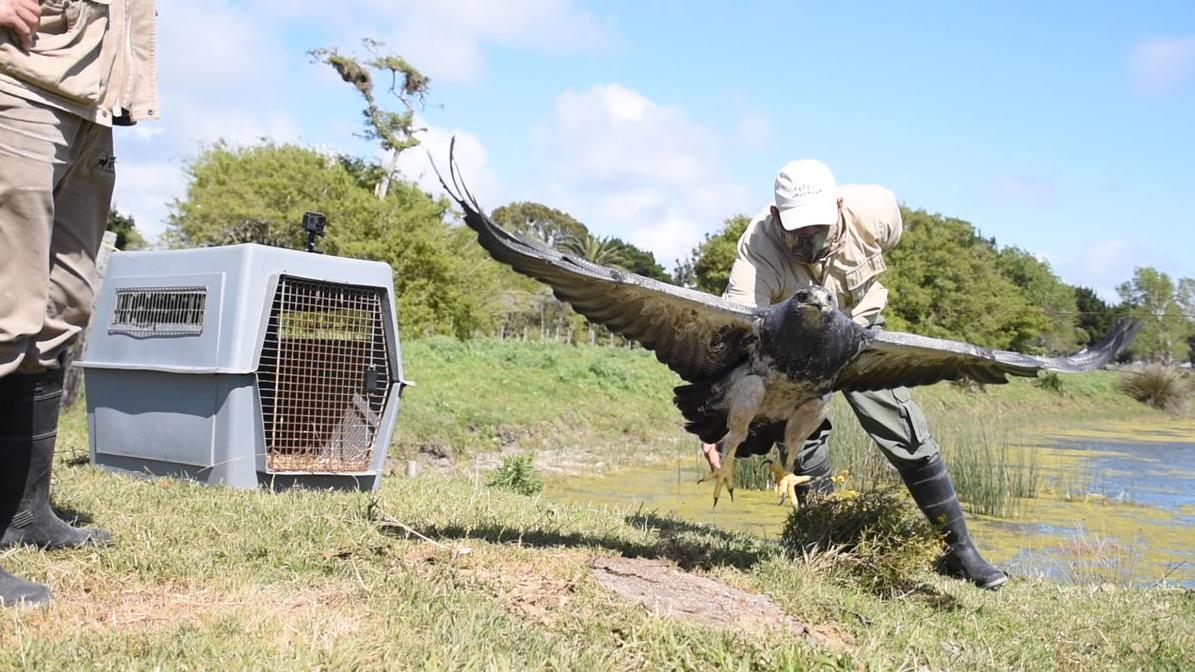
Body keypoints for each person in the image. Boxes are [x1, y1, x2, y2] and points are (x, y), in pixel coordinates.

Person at [701, 158, 1007, 590]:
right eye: (797, 232)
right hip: (798, 351)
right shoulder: (758, 248)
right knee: (800, 437)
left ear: (839, 207)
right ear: (776, 217)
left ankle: (960, 552)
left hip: (858, 334)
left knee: (903, 426)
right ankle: (827, 544)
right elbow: (736, 334)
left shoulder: (879, 212)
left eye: (819, 230)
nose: (809, 243)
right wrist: (721, 421)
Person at [0, 0, 158, 607]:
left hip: (94, 102)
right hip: (19, 82)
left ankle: (24, 512)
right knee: (5, 309)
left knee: (60, 310)